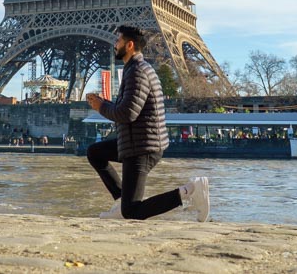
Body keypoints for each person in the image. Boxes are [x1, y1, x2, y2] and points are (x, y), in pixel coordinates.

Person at [86, 25, 210, 221]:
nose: (115, 44)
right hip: (136, 142)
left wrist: (101, 107)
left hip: (142, 147)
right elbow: (128, 107)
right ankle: (121, 201)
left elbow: (127, 114)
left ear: (130, 45)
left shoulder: (137, 72)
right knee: (95, 152)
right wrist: (104, 103)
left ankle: (190, 190)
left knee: (133, 212)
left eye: (118, 41)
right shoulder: (134, 69)